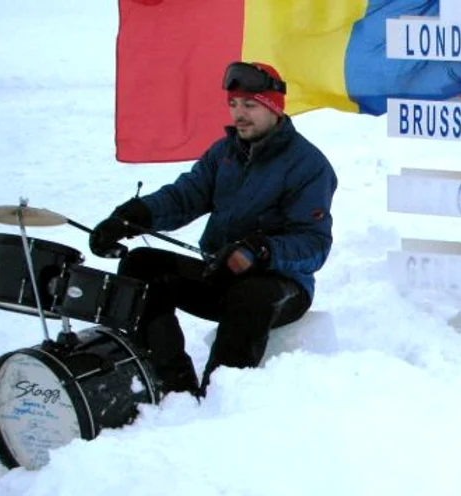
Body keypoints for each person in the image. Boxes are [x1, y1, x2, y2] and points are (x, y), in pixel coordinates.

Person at [89, 61, 338, 397]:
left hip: (281, 287)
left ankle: (220, 399)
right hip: (220, 271)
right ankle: (173, 384)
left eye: (250, 105)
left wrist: (259, 250)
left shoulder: (308, 165)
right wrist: (132, 215)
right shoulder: (225, 153)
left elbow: (313, 245)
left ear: (274, 108)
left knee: (249, 296)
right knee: (141, 266)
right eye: (233, 105)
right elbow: (184, 196)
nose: (239, 114)